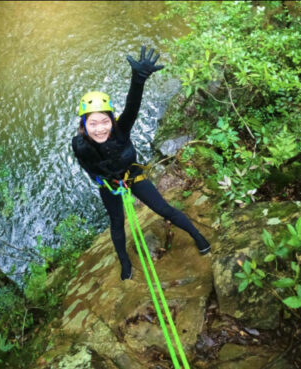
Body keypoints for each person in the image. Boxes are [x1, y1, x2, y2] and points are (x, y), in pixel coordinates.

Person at [71, 46, 210, 281]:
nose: (100, 128)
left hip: (132, 176)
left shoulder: (121, 129)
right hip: (109, 185)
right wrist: (104, 180)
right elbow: (88, 168)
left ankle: (198, 237)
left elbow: (132, 106)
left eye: (104, 121)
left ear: (112, 120)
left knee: (163, 209)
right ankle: (124, 262)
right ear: (84, 125)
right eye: (92, 124)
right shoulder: (79, 144)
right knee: (116, 222)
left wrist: (138, 79)